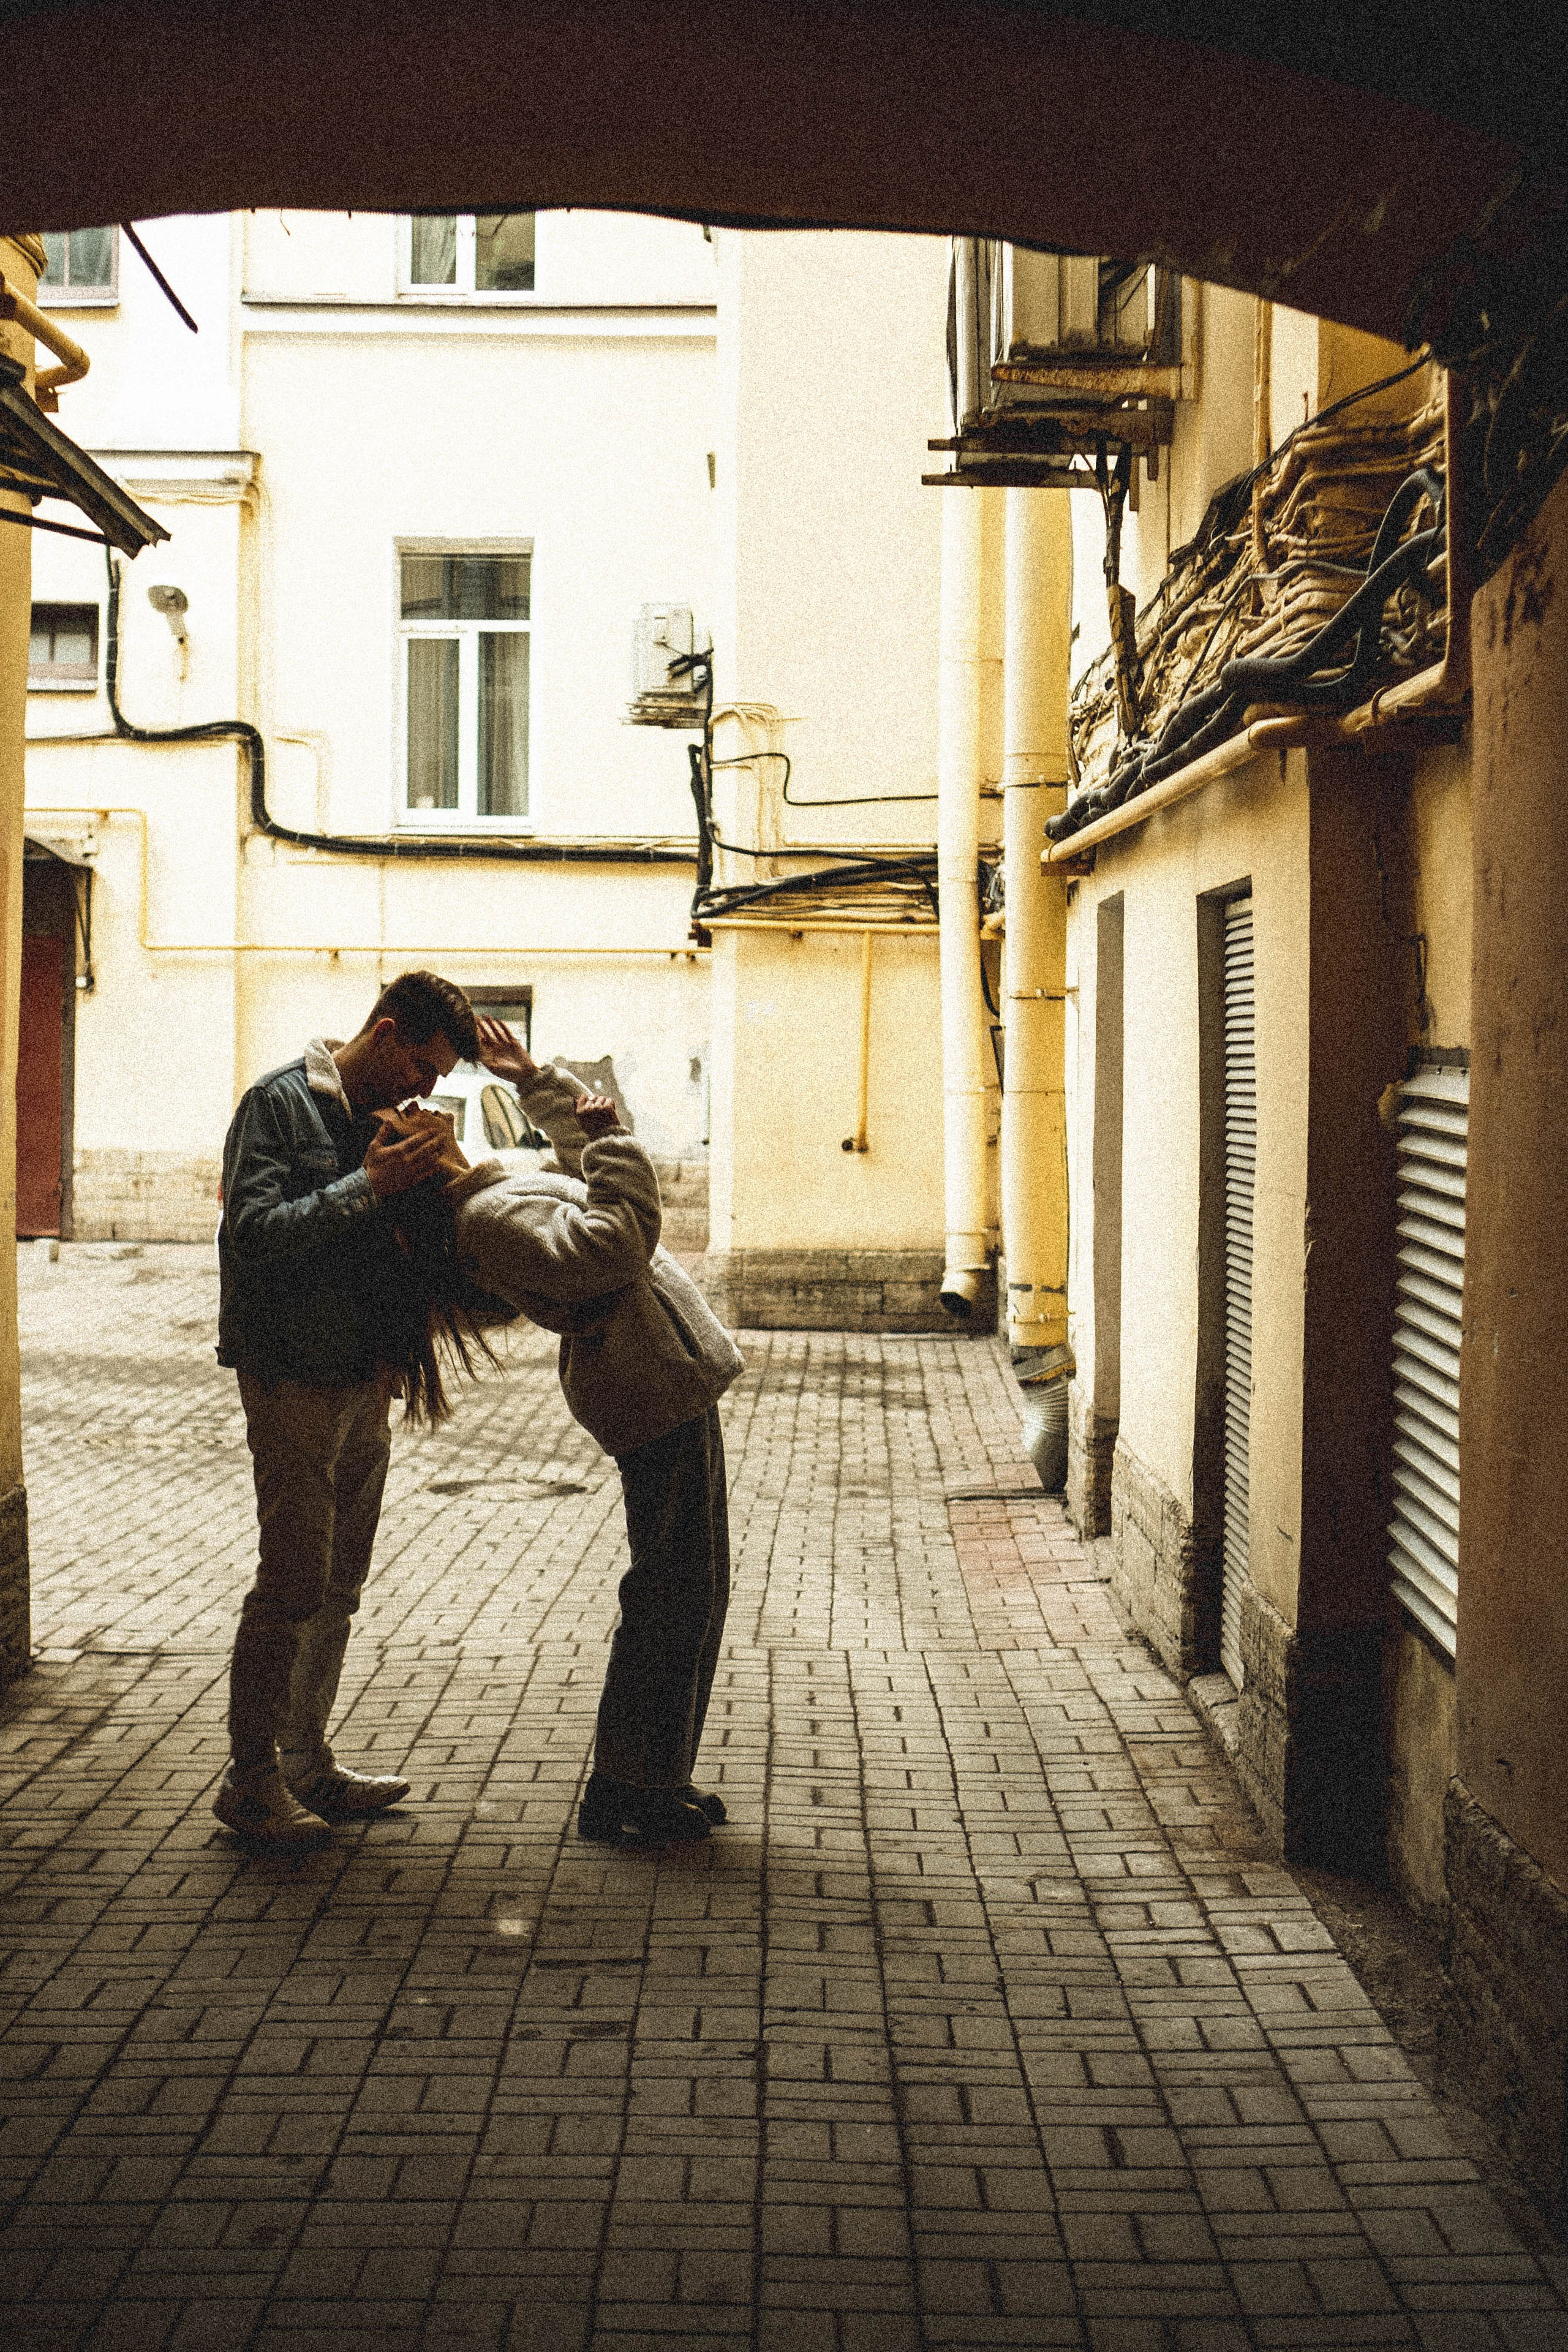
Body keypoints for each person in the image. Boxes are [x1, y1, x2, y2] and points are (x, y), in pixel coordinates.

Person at [380, 1017, 743, 1846]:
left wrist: (533, 1081)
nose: (416, 1105)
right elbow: (608, 1247)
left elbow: (579, 1176)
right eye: (400, 1119)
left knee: (694, 1585)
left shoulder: (488, 1192)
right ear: (410, 1161)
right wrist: (616, 1146)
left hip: (661, 1380)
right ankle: (626, 1787)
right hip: (648, 1389)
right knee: (671, 1589)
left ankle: (657, 1775)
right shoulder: (487, 1222)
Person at [213, 970, 481, 1849]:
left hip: (364, 1376)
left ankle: (306, 1762)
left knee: (340, 1583)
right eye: (424, 1063)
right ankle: (250, 1783)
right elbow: (252, 1235)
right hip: (291, 1374)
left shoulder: (386, 1123)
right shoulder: (278, 1103)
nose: (427, 1085)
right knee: (291, 1579)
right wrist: (365, 1185)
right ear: (386, 1029)